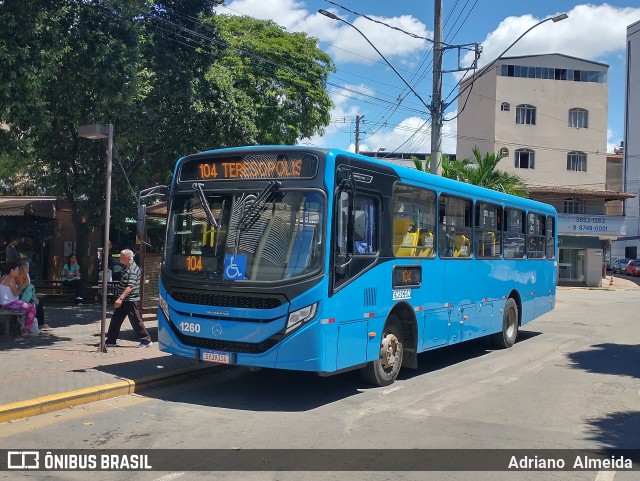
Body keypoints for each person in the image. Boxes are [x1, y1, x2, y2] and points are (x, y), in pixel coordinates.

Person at [105, 249, 152, 348]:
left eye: (121, 256)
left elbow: (130, 287)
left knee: (135, 320)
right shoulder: (128, 268)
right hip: (125, 300)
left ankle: (146, 340)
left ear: (127, 258)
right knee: (116, 320)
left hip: (130, 300)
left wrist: (120, 298)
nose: (119, 258)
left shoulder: (132, 270)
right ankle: (111, 340)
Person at [0, 261, 39, 336]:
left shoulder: (4, 277)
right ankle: (26, 329)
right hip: (9, 303)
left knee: (29, 306)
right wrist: (21, 288)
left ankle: (26, 328)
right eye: (17, 269)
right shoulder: (10, 279)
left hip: (4, 302)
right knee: (31, 308)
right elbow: (16, 294)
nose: (18, 271)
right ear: (12, 270)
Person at [18, 260, 50, 330]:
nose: (28, 269)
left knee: (39, 302)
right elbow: (23, 289)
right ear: (21, 268)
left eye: (28, 267)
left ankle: (40, 323)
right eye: (26, 267)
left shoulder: (26, 275)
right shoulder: (18, 277)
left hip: (28, 295)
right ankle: (39, 324)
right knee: (37, 303)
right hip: (21, 297)